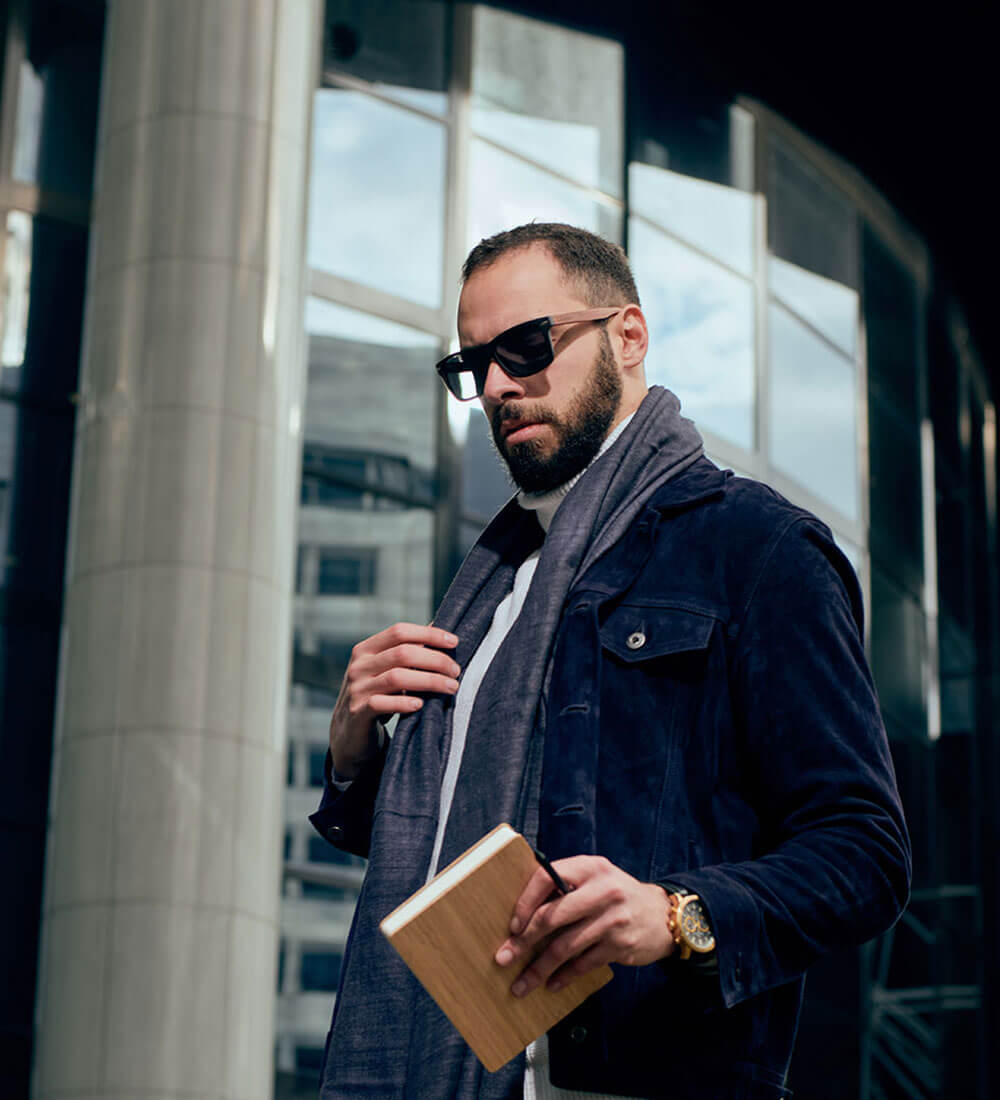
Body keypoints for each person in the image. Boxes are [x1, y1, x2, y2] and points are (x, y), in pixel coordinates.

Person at [310, 223, 910, 1100]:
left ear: (627, 336)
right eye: (473, 366)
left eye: (525, 346)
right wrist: (355, 759)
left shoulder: (758, 549)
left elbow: (865, 852)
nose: (499, 386)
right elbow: (454, 861)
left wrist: (676, 915)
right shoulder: (491, 595)